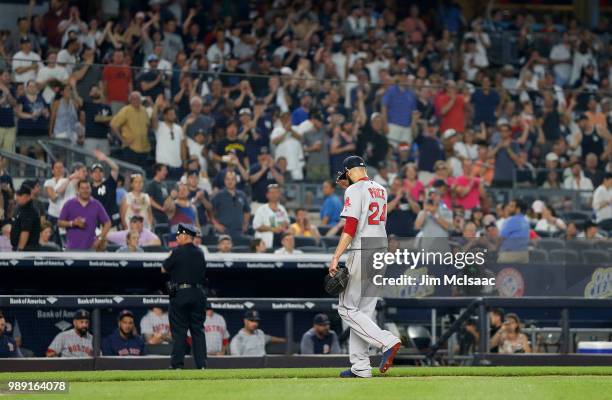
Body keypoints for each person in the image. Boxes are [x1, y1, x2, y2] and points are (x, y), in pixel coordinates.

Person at [328, 155, 401, 378]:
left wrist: (335, 257)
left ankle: (386, 341)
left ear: (348, 171)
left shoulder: (353, 190)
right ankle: (360, 366)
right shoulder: (381, 188)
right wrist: (349, 186)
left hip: (362, 250)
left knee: (346, 308)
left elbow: (350, 226)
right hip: (380, 250)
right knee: (364, 311)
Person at [161, 223, 207, 369]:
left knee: (179, 331)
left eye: (179, 234)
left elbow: (163, 269)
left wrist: (170, 256)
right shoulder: (200, 252)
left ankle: (177, 365)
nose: (177, 237)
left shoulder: (177, 251)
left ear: (186, 236)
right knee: (197, 331)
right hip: (198, 293)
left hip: (179, 293)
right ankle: (202, 366)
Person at [58, 180, 111, 251]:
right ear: (78, 190)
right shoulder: (69, 204)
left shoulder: (96, 205)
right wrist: (73, 223)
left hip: (90, 248)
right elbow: (60, 222)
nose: (85, 190)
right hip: (71, 248)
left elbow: (107, 223)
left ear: (91, 189)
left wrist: (99, 239)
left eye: (87, 188)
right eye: (82, 188)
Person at [110, 91, 151, 166]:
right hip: (131, 148)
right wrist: (122, 140)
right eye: (133, 99)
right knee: (131, 172)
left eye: (138, 98)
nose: (136, 100)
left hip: (144, 148)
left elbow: (148, 126)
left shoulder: (144, 110)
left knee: (141, 173)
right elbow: (113, 124)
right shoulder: (126, 110)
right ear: (130, 100)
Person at [210, 171, 250, 237]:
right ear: (224, 181)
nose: (230, 181)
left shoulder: (242, 195)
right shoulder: (218, 195)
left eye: (232, 179)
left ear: (236, 181)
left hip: (239, 231)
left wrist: (245, 224)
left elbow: (247, 211)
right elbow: (209, 211)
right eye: (227, 179)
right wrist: (216, 224)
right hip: (223, 231)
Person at [253, 184, 290, 248]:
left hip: (280, 241)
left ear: (279, 195)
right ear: (267, 195)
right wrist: (273, 229)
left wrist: (284, 225)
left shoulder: (282, 208)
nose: (274, 195)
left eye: (276, 192)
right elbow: (256, 226)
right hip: (265, 242)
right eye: (272, 193)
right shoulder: (261, 209)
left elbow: (287, 224)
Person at [90, 150, 119, 227]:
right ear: (91, 175)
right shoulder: (87, 188)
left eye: (100, 171)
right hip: (95, 223)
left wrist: (105, 158)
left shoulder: (109, 184)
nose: (98, 174)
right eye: (95, 172)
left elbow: (115, 168)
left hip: (111, 222)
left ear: (103, 174)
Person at [498, 199, 530, 263]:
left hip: (510, 254)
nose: (508, 208)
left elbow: (500, 238)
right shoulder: (525, 220)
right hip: (524, 254)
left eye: (511, 206)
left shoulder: (511, 220)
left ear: (518, 209)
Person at [10, 186, 40, 251]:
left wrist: (20, 250)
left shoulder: (28, 211)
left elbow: (25, 231)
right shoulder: (21, 209)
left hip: (27, 250)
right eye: (17, 195)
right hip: (23, 248)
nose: (17, 197)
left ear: (28, 197)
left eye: (20, 195)